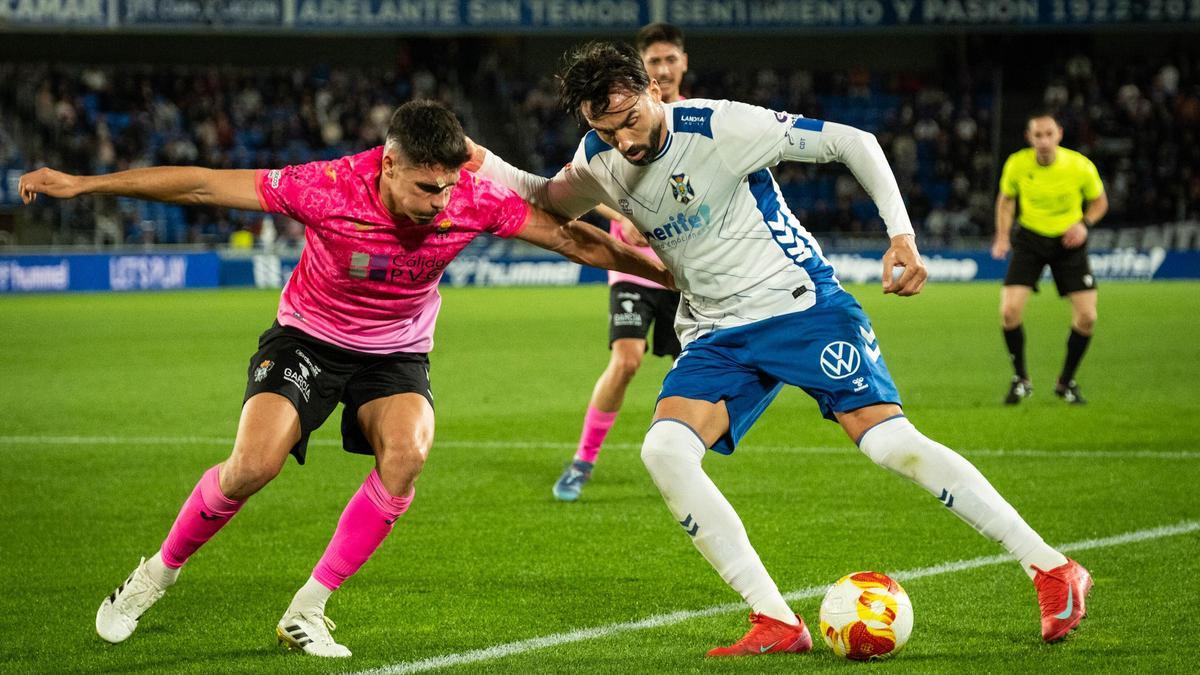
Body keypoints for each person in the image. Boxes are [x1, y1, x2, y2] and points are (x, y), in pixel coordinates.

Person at [469, 42, 1091, 656]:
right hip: (716, 332)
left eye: (630, 118)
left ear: (655, 91)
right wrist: (477, 160)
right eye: (605, 128)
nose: (624, 140)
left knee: (889, 444)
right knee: (664, 450)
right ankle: (776, 621)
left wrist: (901, 235)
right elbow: (548, 200)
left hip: (802, 308)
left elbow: (856, 142)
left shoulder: (721, 126)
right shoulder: (599, 156)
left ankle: (1051, 569)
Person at [18, 100, 669, 658]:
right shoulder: (326, 185)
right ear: (388, 165)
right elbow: (203, 187)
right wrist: (86, 184)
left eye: (445, 188)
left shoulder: (472, 199)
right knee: (251, 467)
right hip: (308, 337)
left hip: (395, 353)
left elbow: (576, 241)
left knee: (409, 452)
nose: (436, 203)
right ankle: (157, 573)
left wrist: (668, 272)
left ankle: (308, 607)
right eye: (423, 189)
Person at [553, 22, 689, 502]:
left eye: (671, 59)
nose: (664, 68)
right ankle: (582, 461)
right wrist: (622, 214)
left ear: (683, 64)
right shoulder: (614, 124)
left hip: (684, 270)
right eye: (654, 61)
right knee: (626, 359)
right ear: (640, 71)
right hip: (632, 263)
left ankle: (678, 460)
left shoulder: (696, 122)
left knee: (690, 367)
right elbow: (590, 184)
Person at [992, 111, 1107, 405]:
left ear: (1059, 135)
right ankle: (1021, 380)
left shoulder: (1079, 165)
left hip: (1069, 242)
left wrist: (1084, 225)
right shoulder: (1017, 163)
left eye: (1049, 134)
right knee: (1009, 313)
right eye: (1037, 135)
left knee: (1087, 317)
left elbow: (1099, 202)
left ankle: (1066, 382)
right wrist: (1003, 236)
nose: (1043, 141)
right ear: (1029, 138)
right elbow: (1006, 202)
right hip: (1030, 240)